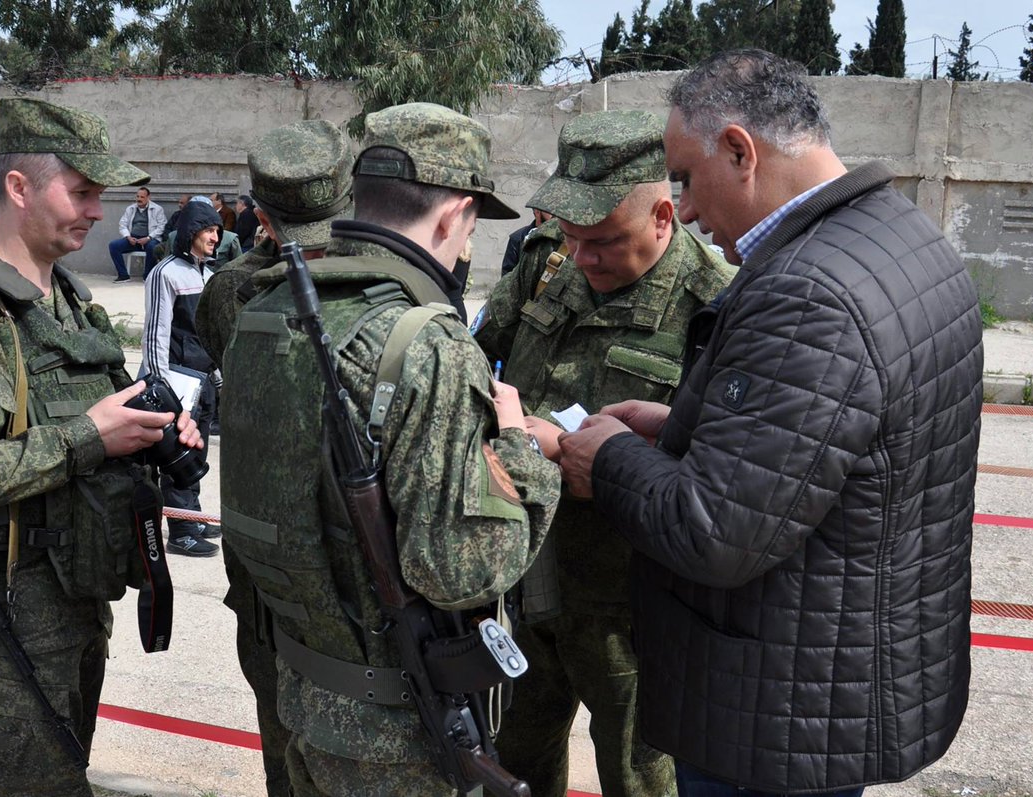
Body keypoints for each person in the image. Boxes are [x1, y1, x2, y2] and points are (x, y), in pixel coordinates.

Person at [556, 49, 982, 797]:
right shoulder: (899, 237)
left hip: (779, 716)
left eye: (685, 179)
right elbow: (838, 445)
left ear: (739, 151)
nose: (682, 209)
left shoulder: (808, 290)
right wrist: (685, 429)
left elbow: (713, 529)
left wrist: (612, 458)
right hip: (844, 677)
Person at [218, 102, 560, 795]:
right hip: (396, 730)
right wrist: (523, 452)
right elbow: (461, 571)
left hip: (303, 690)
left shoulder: (266, 306)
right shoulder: (426, 341)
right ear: (452, 215)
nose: (465, 247)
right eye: (469, 228)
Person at [0, 96, 202, 797]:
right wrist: (89, 436)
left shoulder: (65, 297)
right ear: (18, 187)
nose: (99, 211)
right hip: (4, 638)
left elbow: (101, 412)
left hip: (66, 613)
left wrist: (149, 431)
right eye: (85, 191)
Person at [473, 110, 736, 797]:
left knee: (640, 776)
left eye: (605, 242)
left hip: (632, 611)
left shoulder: (715, 305)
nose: (583, 258)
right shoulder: (544, 265)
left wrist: (591, 461)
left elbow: (725, 476)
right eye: (573, 237)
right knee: (511, 762)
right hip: (527, 584)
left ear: (662, 217)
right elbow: (471, 359)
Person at [195, 117, 354, 797]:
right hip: (359, 574)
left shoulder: (232, 288)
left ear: (259, 211)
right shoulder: (379, 276)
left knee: (285, 741)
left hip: (268, 571)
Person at [196, 119, 354, 370]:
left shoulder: (381, 268)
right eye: (306, 243)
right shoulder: (235, 288)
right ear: (264, 222)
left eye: (336, 229)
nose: (323, 253)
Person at [142, 198, 222, 557]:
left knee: (198, 451)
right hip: (176, 383)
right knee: (178, 455)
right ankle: (181, 531)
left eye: (217, 230)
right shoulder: (165, 273)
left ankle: (191, 515)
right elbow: (155, 334)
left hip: (201, 382)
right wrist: (161, 387)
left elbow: (208, 334)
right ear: (191, 232)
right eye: (208, 230)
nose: (215, 237)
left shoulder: (208, 275)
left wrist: (217, 375)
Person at [109, 185, 166, 282]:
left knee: (152, 247)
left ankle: (147, 276)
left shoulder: (157, 209)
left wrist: (148, 238)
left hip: (150, 239)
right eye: (138, 196)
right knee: (113, 246)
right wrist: (128, 237)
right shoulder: (131, 209)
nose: (139, 199)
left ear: (148, 197)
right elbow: (122, 224)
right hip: (133, 240)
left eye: (142, 197)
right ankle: (123, 275)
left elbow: (162, 226)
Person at [499, 208, 552, 275]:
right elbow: (507, 274)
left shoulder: (565, 238)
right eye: (551, 210)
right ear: (537, 211)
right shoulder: (518, 238)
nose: (556, 213)